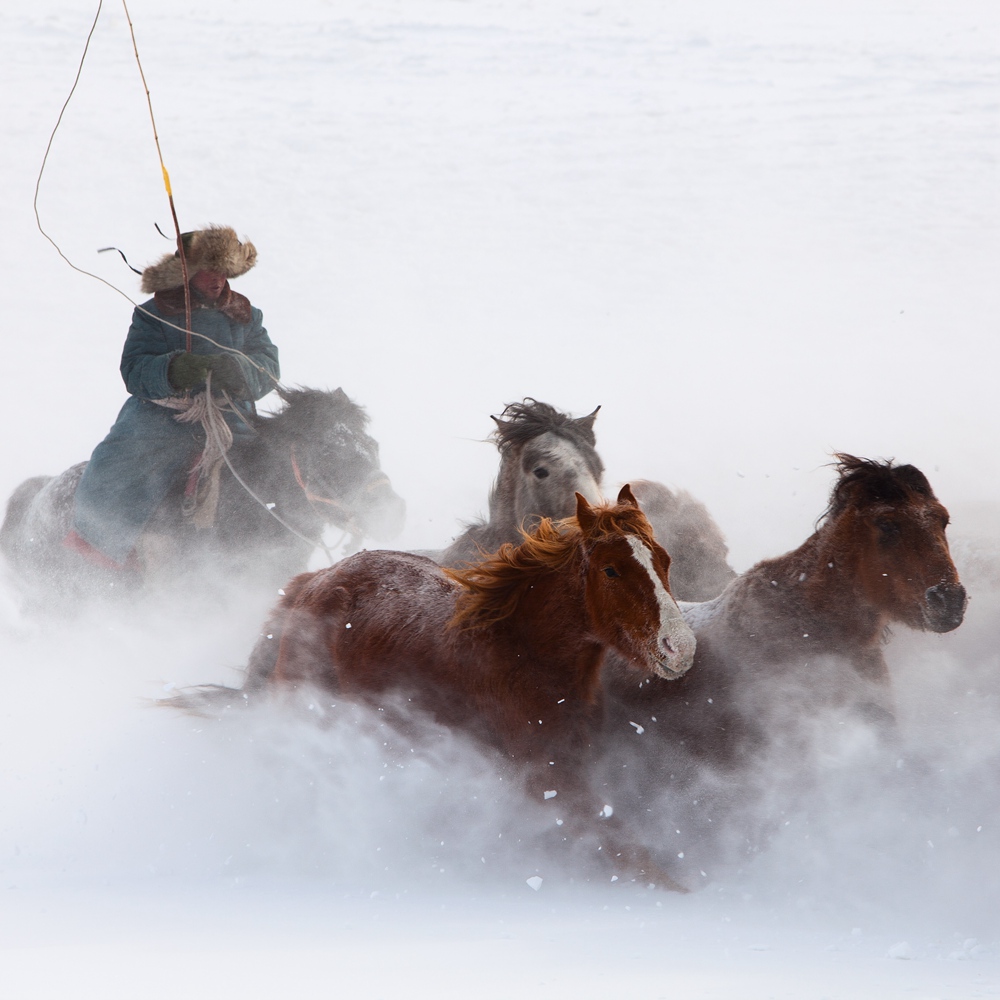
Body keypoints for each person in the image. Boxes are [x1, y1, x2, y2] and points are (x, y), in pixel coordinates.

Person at [67, 225, 280, 569]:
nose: (218, 280)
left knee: (281, 466)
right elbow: (133, 369)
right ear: (189, 272)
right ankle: (103, 546)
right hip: (164, 418)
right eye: (210, 270)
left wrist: (240, 370)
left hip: (232, 416)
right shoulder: (152, 314)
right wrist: (174, 369)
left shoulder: (246, 314)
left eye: (225, 271)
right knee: (115, 466)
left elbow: (268, 363)